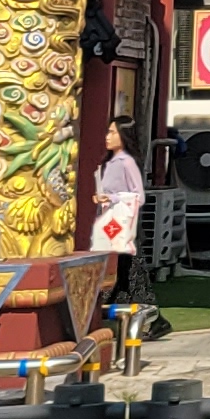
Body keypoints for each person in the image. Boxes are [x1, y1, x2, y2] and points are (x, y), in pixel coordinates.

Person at [93, 120, 146, 300]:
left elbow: (138, 195)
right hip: (108, 220)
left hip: (122, 222)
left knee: (122, 267)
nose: (108, 137)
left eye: (113, 133)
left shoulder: (127, 163)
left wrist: (113, 198)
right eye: (108, 132)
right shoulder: (108, 162)